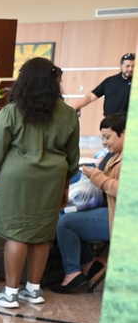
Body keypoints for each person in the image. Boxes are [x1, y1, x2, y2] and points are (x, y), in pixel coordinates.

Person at [0, 56, 80, 309]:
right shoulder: (67, 113)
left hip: (17, 180)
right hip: (52, 180)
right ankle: (34, 291)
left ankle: (11, 293)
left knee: (16, 234)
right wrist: (65, 187)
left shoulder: (12, 112)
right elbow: (72, 155)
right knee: (42, 236)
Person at [51, 112, 124, 293]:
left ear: (124, 133)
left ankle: (73, 273)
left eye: (108, 137)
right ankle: (88, 264)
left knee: (65, 223)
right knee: (65, 213)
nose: (104, 142)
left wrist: (98, 177)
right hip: (111, 211)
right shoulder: (115, 155)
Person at [73, 52, 134, 117]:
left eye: (133, 66)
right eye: (127, 66)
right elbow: (90, 97)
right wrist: (74, 108)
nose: (130, 69)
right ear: (121, 66)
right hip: (109, 121)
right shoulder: (110, 81)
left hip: (130, 122)